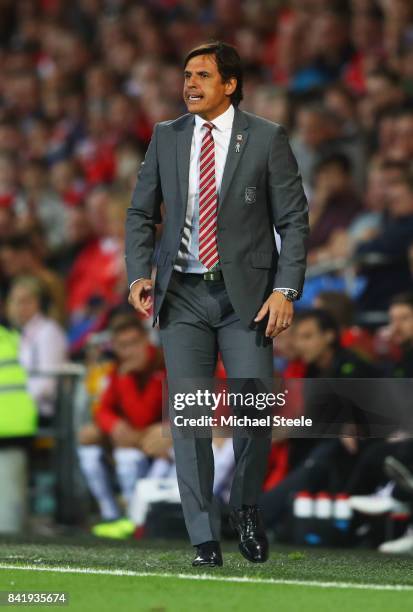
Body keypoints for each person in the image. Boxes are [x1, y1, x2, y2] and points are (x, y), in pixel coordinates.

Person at [126, 41, 309, 567]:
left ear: (230, 84)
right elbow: (140, 213)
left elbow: (293, 221)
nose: (189, 84)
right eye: (186, 75)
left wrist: (286, 289)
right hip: (181, 296)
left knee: (254, 411)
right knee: (191, 419)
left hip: (245, 299)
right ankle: (203, 537)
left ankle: (246, 506)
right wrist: (139, 273)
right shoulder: (165, 136)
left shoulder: (267, 138)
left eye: (202, 75)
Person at [77, 314, 165, 539]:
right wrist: (114, 426)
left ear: (147, 339)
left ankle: (135, 519)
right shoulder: (117, 369)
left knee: (128, 456)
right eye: (123, 346)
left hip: (164, 445)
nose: (130, 351)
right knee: (88, 448)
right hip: (137, 440)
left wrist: (126, 379)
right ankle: (111, 514)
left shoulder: (161, 365)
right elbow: (103, 410)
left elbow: (143, 416)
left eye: (135, 343)